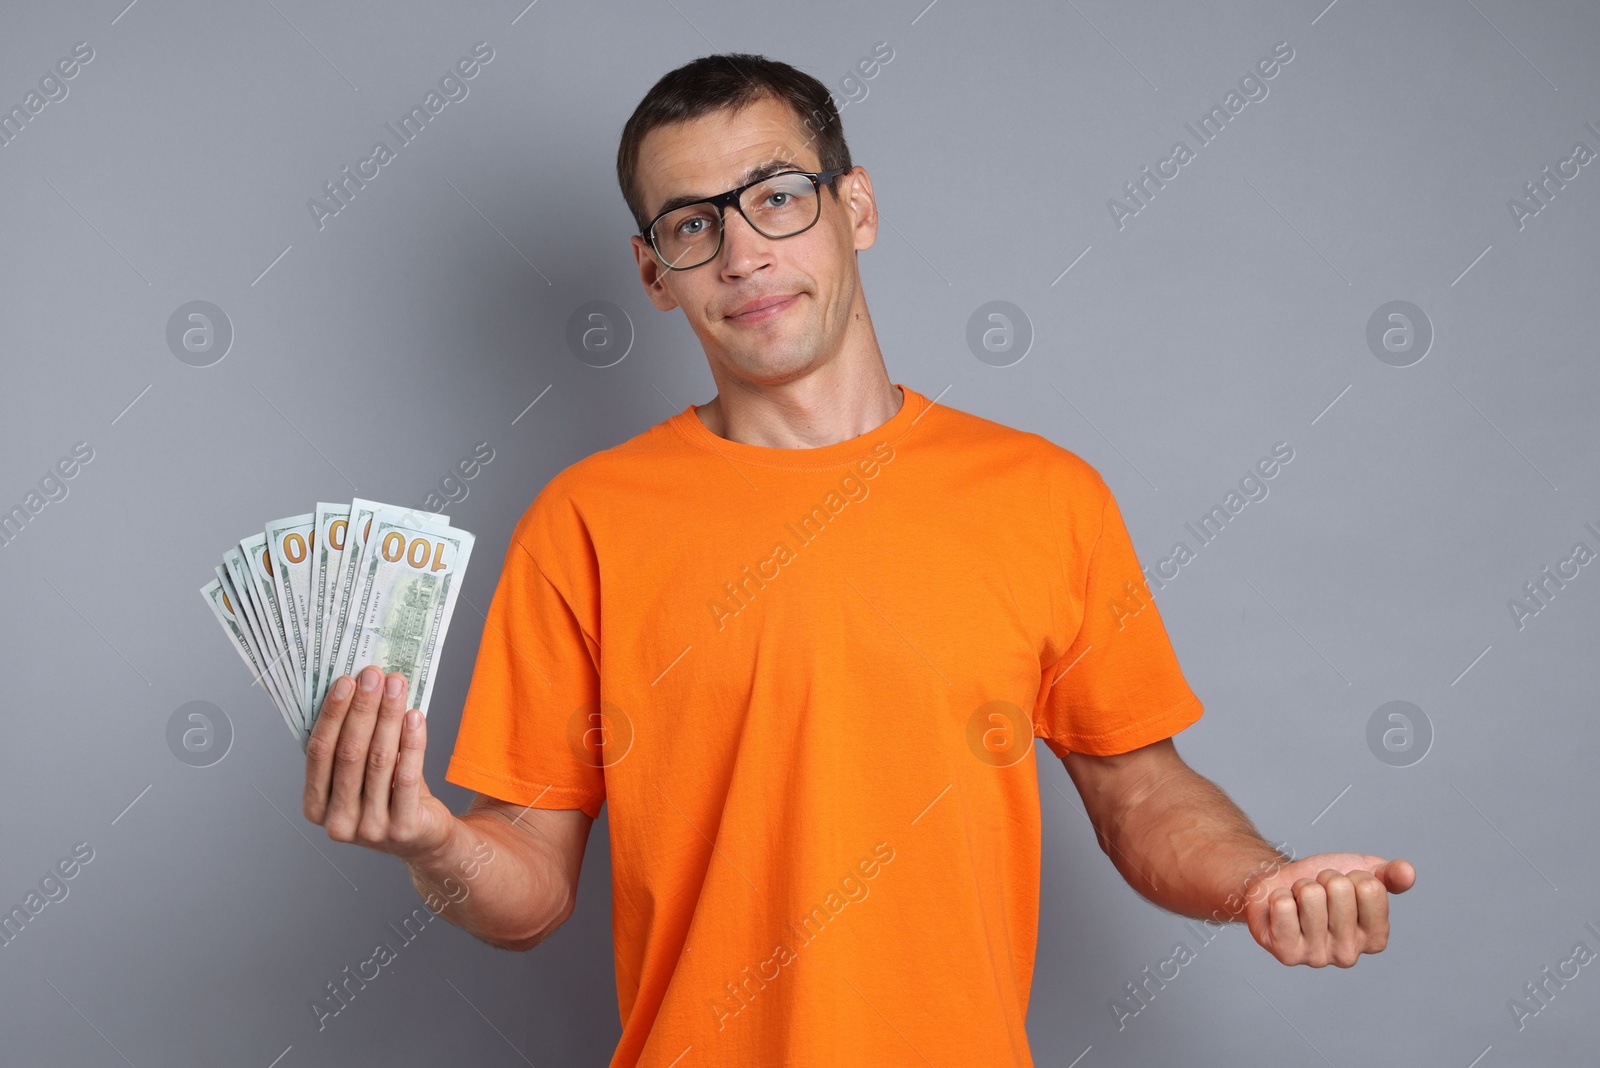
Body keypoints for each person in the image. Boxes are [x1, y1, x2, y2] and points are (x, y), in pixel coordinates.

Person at [302, 52, 1416, 1066]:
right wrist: (429, 841)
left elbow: (1141, 794)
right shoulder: (586, 520)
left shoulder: (1041, 497)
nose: (743, 253)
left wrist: (1261, 880)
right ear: (654, 274)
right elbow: (530, 892)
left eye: (775, 198)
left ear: (856, 208)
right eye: (692, 226)